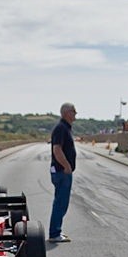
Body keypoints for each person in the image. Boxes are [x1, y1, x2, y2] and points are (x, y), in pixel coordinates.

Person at [48, 102, 77, 242]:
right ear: (66, 113)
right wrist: (66, 166)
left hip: (62, 171)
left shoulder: (65, 128)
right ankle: (54, 233)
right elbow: (57, 149)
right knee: (60, 203)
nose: (75, 114)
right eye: (73, 111)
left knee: (61, 203)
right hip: (61, 172)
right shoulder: (61, 128)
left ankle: (56, 231)